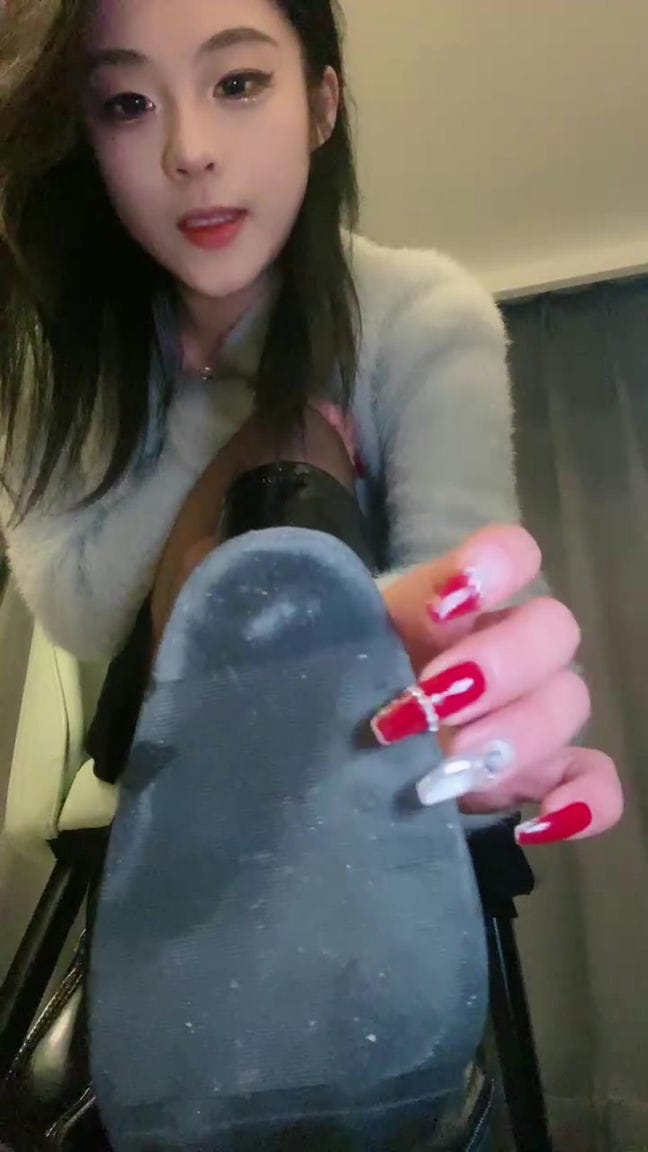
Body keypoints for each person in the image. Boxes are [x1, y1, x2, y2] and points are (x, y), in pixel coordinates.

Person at [0, 1, 623, 1149]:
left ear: (323, 102)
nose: (190, 150)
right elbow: (79, 611)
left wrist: (481, 685)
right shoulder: (68, 353)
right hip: (173, 848)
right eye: (128, 103)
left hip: (378, 843)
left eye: (238, 83)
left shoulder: (417, 315)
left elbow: (463, 580)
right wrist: (241, 452)